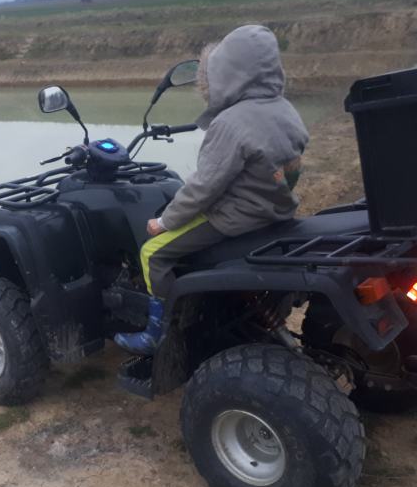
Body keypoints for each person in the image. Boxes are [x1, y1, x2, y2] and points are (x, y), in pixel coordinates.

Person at [114, 24, 309, 355]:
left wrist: (164, 222)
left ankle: (163, 333)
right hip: (276, 209)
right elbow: (291, 165)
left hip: (235, 218)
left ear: (227, 74)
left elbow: (202, 188)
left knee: (152, 253)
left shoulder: (230, 123)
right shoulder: (284, 109)